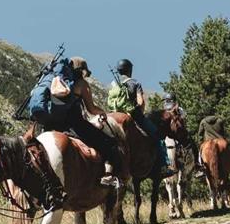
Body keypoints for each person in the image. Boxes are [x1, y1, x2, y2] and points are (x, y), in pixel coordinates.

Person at [33, 56, 123, 188]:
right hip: (74, 126)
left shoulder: (56, 81)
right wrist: (102, 112)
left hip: (50, 126)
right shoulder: (81, 84)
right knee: (110, 144)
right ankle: (107, 176)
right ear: (81, 71)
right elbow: (91, 109)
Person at [114, 59, 176, 178]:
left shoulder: (114, 84)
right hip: (134, 117)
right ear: (130, 70)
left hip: (115, 116)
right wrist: (138, 113)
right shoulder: (135, 83)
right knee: (158, 137)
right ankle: (164, 166)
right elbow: (141, 102)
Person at [163, 92, 204, 177]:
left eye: (167, 101)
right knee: (193, 146)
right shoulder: (180, 109)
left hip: (166, 134)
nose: (166, 103)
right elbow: (183, 121)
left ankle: (161, 168)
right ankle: (197, 166)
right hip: (178, 135)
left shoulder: (164, 111)